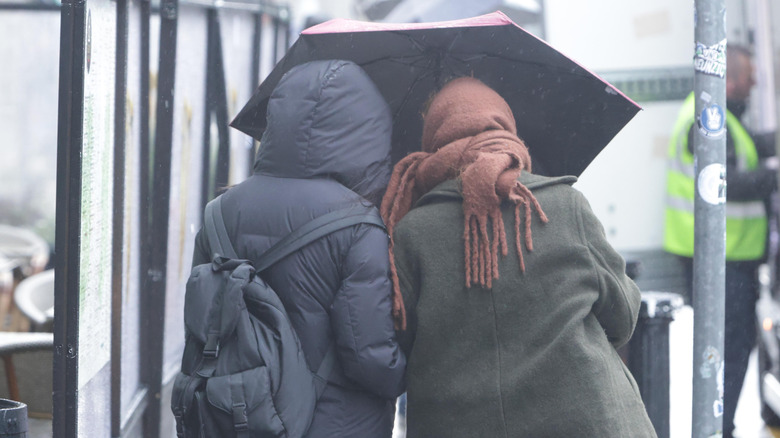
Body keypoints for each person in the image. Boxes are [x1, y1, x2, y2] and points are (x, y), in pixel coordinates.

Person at [381, 77, 656, 437]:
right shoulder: (564, 205)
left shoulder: (410, 233)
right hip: (585, 422)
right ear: (505, 126)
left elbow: (398, 345)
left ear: (435, 141)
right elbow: (622, 317)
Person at [191, 59, 406, 438]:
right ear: (367, 134)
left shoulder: (218, 213)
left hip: (238, 416)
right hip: (333, 424)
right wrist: (408, 374)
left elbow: (205, 324)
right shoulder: (359, 225)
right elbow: (367, 356)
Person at [663, 44, 777, 436]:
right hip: (720, 259)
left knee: (727, 346)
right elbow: (727, 181)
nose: (755, 84)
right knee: (726, 348)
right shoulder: (708, 118)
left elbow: (748, 145)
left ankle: (719, 425)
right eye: (749, 78)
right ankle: (718, 428)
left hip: (726, 256)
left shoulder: (715, 112)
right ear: (727, 79)